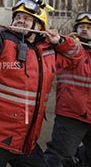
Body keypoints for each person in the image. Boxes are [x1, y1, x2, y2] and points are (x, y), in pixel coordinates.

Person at [0, 0, 83, 167]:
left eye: (27, 19)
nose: (20, 21)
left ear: (40, 26)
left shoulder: (49, 50)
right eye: (17, 17)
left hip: (25, 141)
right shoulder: (2, 39)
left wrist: (60, 42)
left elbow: (76, 57)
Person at [44, 12, 91, 167]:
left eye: (89, 27)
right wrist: (59, 40)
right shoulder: (71, 48)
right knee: (58, 158)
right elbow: (67, 45)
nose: (84, 30)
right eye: (81, 27)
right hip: (72, 114)